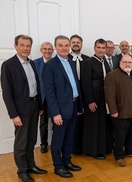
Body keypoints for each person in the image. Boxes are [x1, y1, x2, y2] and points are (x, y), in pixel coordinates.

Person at [1, 34, 47, 182]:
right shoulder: (8, 65)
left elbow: (36, 86)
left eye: (28, 46)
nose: (25, 48)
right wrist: (13, 114)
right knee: (21, 142)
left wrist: (40, 105)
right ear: (15, 46)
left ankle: (31, 165)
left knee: (32, 138)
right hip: (20, 109)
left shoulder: (32, 63)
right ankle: (22, 170)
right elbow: (7, 93)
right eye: (22, 45)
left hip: (34, 105)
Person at [43, 35, 83, 178]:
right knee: (58, 140)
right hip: (60, 110)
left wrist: (79, 106)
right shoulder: (50, 65)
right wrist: (55, 113)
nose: (64, 48)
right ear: (56, 47)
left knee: (69, 138)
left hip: (73, 106)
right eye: (61, 45)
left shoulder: (71, 62)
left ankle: (67, 161)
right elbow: (49, 92)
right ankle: (58, 166)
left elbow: (75, 86)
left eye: (66, 45)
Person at [105, 55, 132, 167]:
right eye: (125, 62)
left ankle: (130, 150)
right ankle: (118, 155)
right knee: (120, 134)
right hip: (121, 110)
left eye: (130, 62)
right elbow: (109, 96)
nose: (128, 64)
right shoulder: (112, 75)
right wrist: (113, 110)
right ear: (120, 63)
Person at [81, 38, 113, 160]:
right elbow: (86, 83)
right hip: (95, 97)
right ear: (94, 49)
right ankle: (95, 150)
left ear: (106, 49)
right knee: (95, 124)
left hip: (105, 96)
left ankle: (105, 147)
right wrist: (90, 100)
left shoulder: (105, 61)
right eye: (98, 47)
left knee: (105, 122)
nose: (101, 50)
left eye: (103, 48)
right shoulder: (88, 62)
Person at [67, 34, 90, 156]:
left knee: (84, 122)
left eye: (78, 42)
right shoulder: (65, 58)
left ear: (81, 44)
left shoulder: (87, 59)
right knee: (72, 123)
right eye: (73, 42)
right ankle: (72, 147)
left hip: (85, 96)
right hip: (71, 97)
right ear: (70, 44)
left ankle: (83, 146)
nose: (76, 44)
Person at [33, 41, 54, 154]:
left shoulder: (57, 62)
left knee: (57, 122)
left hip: (55, 98)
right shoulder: (35, 63)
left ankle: (56, 143)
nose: (47, 51)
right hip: (42, 99)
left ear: (52, 50)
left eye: (49, 49)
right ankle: (43, 144)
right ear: (41, 50)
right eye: (45, 49)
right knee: (43, 123)